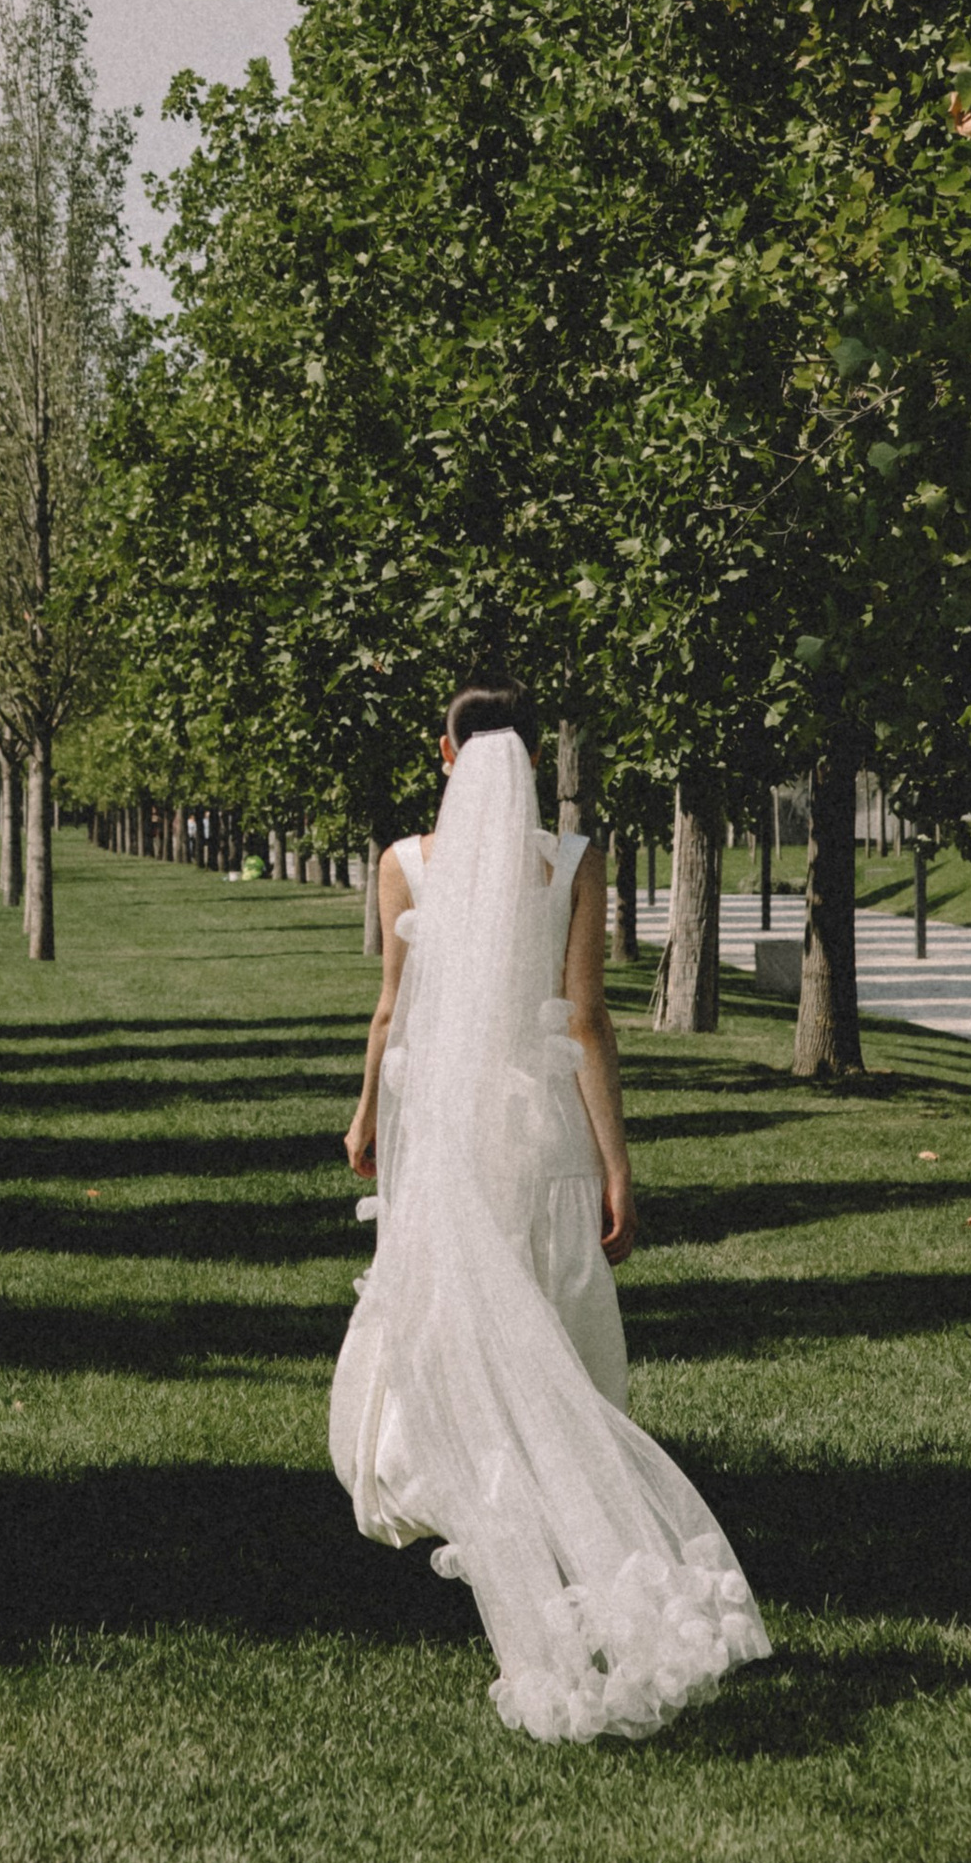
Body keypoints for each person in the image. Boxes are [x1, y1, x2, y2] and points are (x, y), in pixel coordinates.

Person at [328, 688, 769, 1742]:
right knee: (551, 1328)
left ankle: (471, 1488)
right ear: (529, 760)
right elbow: (586, 1018)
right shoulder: (570, 863)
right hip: (539, 1130)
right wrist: (616, 1159)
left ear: (443, 753)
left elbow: (393, 1006)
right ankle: (571, 1520)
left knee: (455, 1317)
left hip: (441, 1130)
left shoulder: (404, 862)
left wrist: (364, 1116)